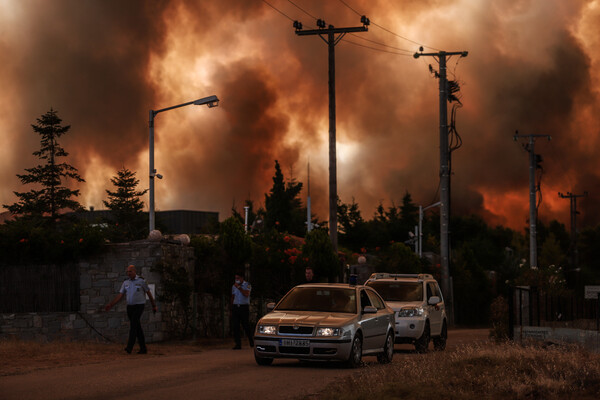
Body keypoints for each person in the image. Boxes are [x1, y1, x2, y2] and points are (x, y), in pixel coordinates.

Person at [105, 265, 157, 354]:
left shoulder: (141, 281)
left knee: (133, 325)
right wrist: (111, 304)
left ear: (134, 272)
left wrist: (153, 305)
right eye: (127, 272)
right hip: (130, 307)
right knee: (137, 327)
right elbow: (120, 295)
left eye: (130, 272)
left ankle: (129, 347)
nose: (128, 273)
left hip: (139, 306)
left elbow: (149, 293)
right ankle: (143, 348)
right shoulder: (126, 283)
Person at [231, 272, 254, 350]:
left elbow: (246, 294)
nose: (236, 280)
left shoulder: (247, 285)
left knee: (246, 325)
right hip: (236, 306)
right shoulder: (233, 286)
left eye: (238, 278)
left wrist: (239, 288)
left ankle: (251, 341)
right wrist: (232, 305)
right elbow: (233, 296)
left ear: (242, 278)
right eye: (236, 278)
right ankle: (238, 344)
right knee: (235, 325)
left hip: (244, 307)